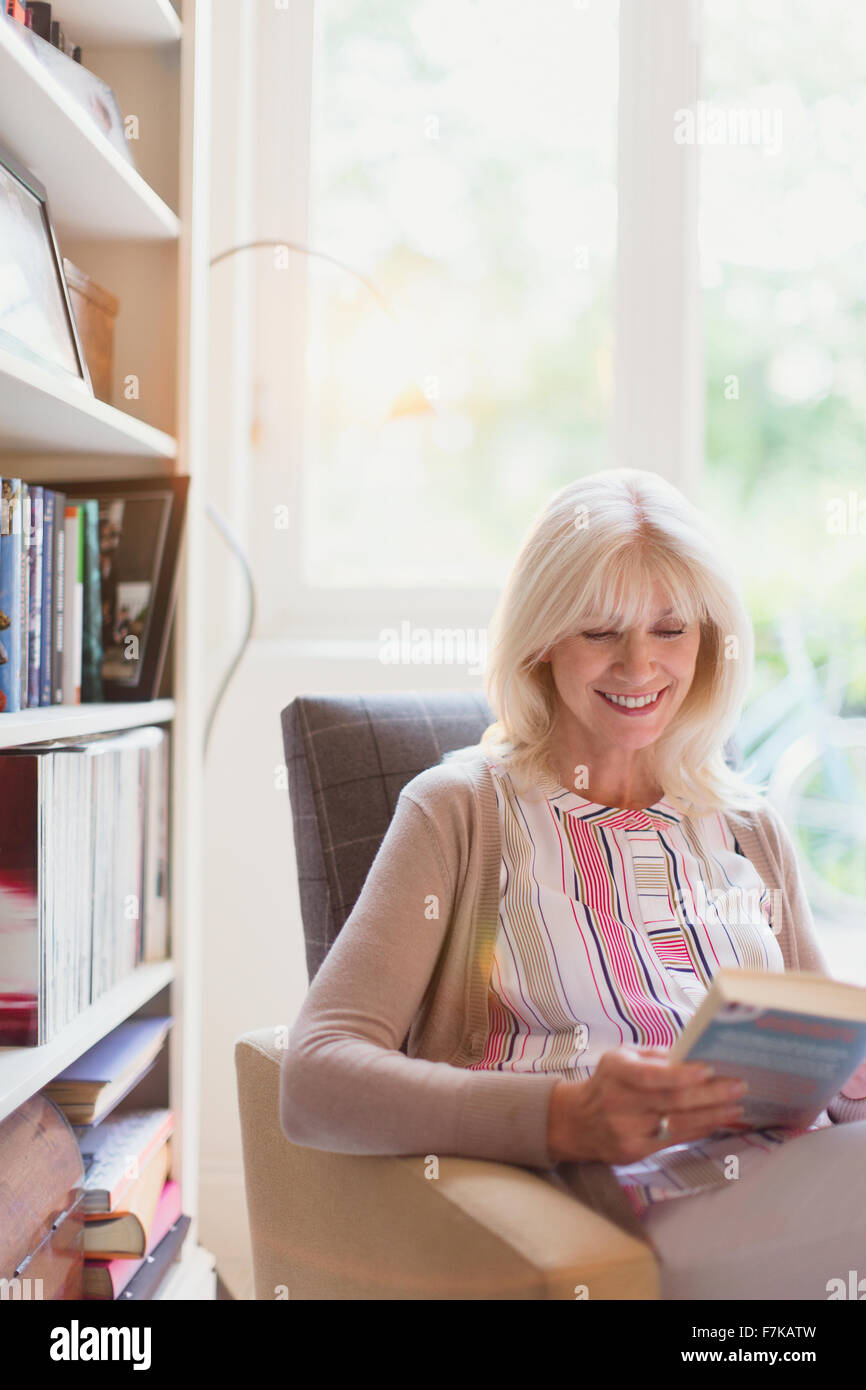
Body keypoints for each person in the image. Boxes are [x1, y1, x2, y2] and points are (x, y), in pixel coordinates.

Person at [280, 467, 866, 1300]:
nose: (641, 665)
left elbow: (826, 1062)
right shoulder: (460, 811)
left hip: (788, 1182)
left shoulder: (749, 824)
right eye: (599, 631)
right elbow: (315, 1078)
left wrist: (846, 1080)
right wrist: (562, 1117)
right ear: (541, 639)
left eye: (671, 628)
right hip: (597, 1204)